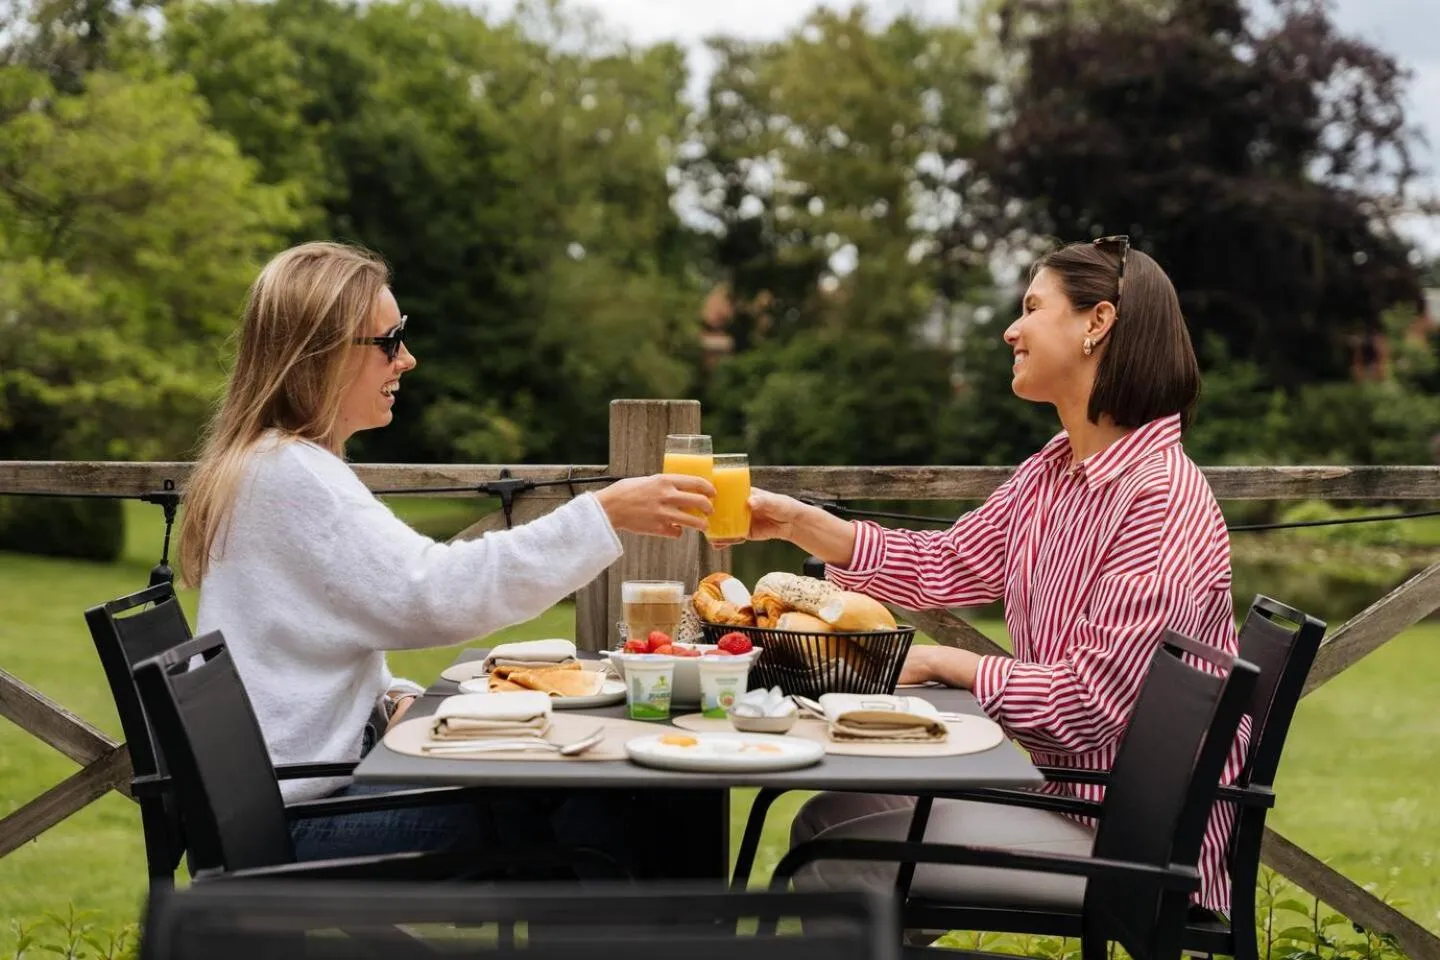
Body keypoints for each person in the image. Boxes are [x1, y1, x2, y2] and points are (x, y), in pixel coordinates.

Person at [742, 237, 1246, 913]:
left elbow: (1083, 707)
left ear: (1097, 322)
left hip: (1132, 838)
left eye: (1033, 307)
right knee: (830, 817)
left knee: (847, 858)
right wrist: (794, 521)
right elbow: (946, 563)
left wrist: (945, 663)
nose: (1012, 329)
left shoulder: (1160, 500)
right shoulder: (1054, 470)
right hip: (1068, 794)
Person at [176, 241, 714, 867]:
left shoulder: (274, 463)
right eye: (389, 341)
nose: (407, 358)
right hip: (301, 825)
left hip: (293, 803)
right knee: (614, 798)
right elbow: (435, 594)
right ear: (322, 355)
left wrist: (390, 699)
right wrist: (603, 512)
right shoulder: (290, 474)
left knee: (592, 790)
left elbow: (316, 633)